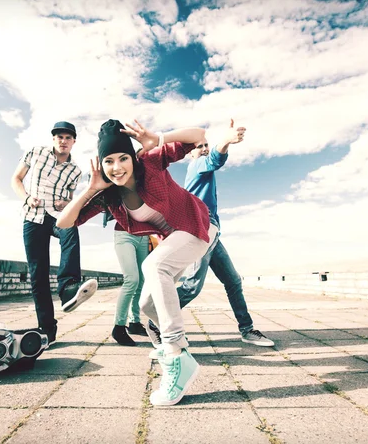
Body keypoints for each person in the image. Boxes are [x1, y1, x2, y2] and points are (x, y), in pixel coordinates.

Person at [57, 118, 241, 406]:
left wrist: (158, 138)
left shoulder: (150, 163)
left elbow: (198, 135)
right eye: (108, 161)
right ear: (101, 164)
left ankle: (176, 354)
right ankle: (169, 343)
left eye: (122, 158)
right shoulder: (108, 196)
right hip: (175, 239)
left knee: (153, 267)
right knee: (146, 305)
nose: (117, 167)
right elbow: (64, 221)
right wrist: (91, 189)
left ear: (132, 157)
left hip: (198, 225)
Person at [149, 121, 274, 350]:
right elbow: (215, 159)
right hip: (200, 233)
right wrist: (225, 141)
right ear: (190, 153)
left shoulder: (202, 169)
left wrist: (224, 142)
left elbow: (215, 159)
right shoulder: (197, 167)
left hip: (213, 233)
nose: (204, 148)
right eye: (200, 146)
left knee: (233, 281)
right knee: (192, 287)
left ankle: (247, 329)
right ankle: (155, 319)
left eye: (206, 145)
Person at [11, 121, 98, 348]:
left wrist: (66, 202)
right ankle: (47, 329)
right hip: (33, 216)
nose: (63, 141)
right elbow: (16, 179)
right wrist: (27, 198)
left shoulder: (75, 171)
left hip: (56, 217)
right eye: (59, 137)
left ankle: (68, 288)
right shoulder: (35, 153)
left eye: (68, 138)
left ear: (74, 142)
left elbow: (70, 197)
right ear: (53, 139)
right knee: (37, 273)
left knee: (71, 230)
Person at [105, 213, 149, 346]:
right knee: (132, 280)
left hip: (144, 236)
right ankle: (118, 327)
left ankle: (135, 323)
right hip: (124, 233)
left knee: (141, 282)